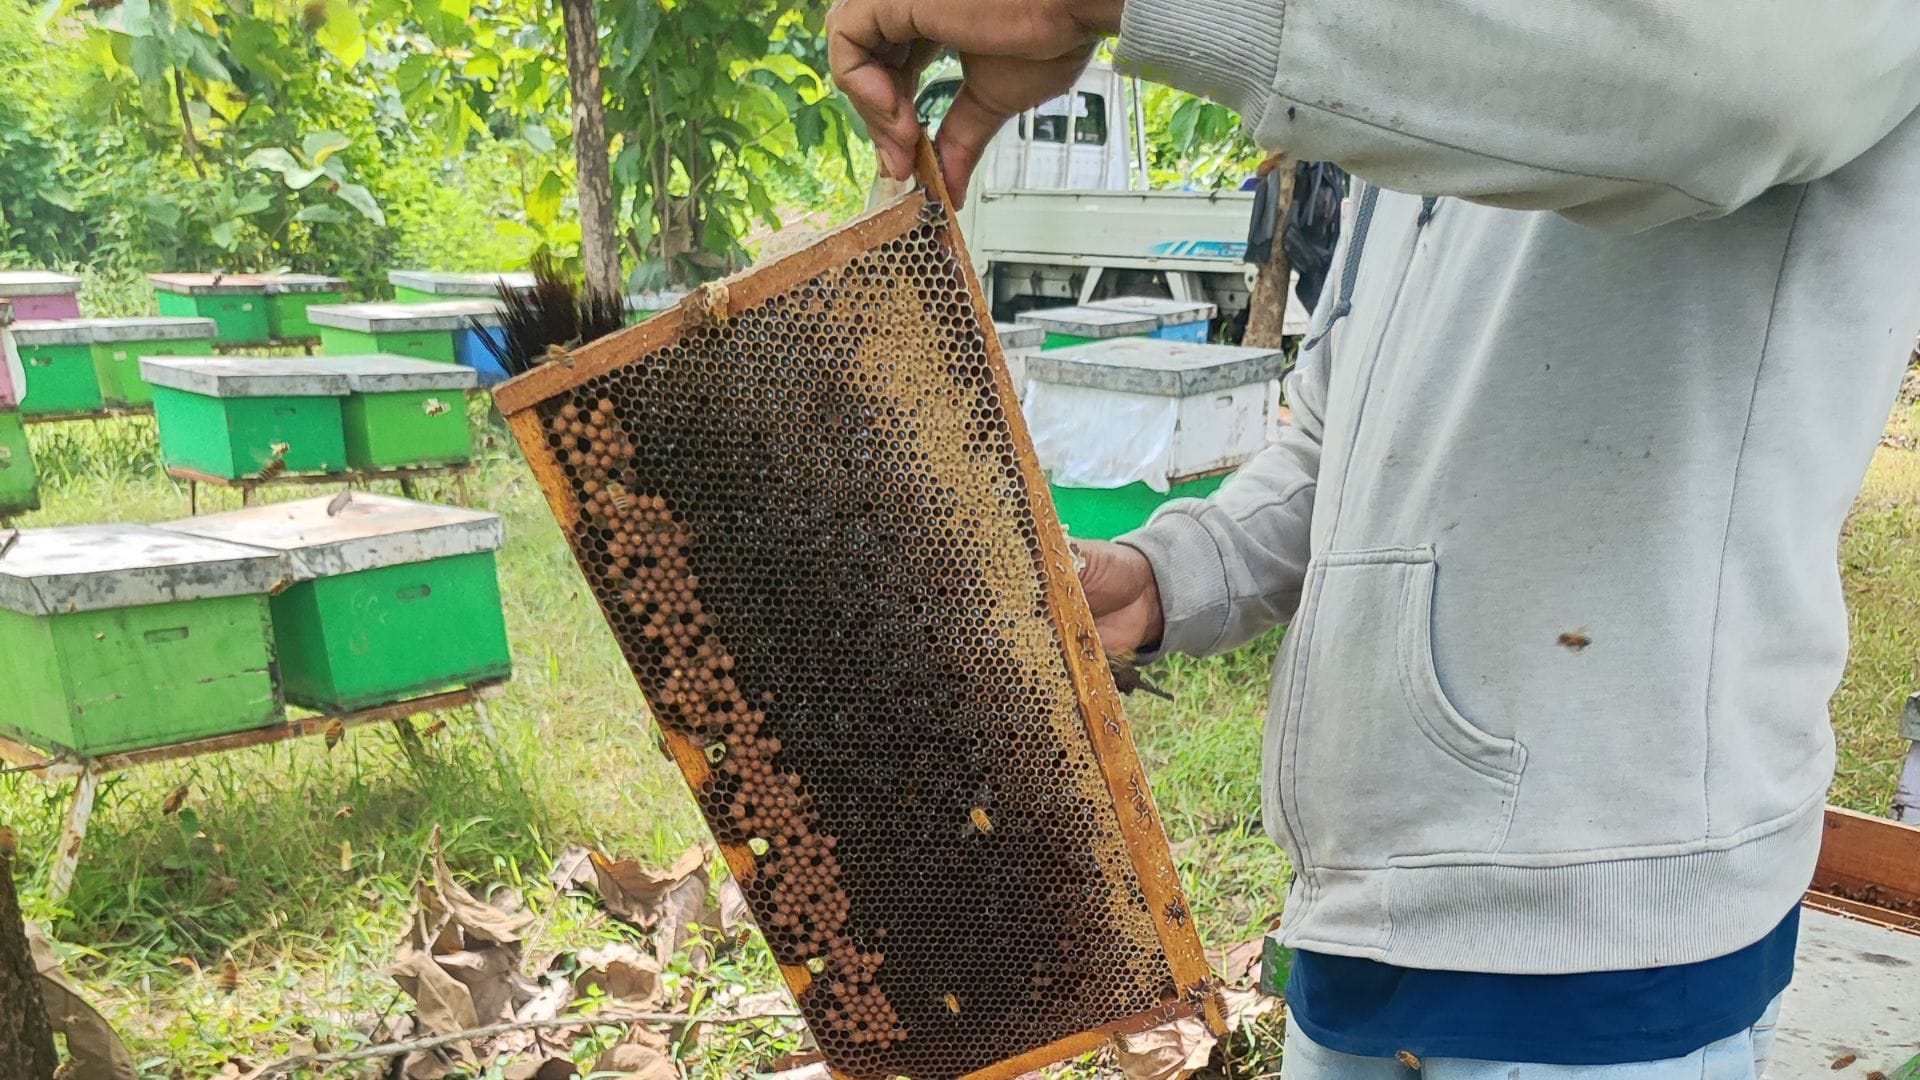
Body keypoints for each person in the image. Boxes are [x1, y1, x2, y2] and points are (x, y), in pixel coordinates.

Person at [827, 1, 1920, 1077]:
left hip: (1603, 940)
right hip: (1362, 918)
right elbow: (1345, 433)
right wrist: (1171, 573)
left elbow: (1737, 88)